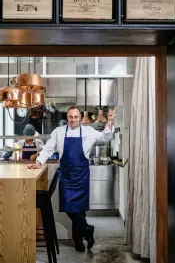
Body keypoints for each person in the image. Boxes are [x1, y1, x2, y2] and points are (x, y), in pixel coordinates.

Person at [28, 106, 116, 252]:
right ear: (67, 117)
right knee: (70, 208)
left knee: (79, 210)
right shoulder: (59, 132)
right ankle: (88, 229)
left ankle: (78, 241)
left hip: (81, 176)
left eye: (76, 117)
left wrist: (110, 122)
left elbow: (105, 138)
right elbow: (48, 149)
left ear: (80, 118)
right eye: (70, 117)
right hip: (66, 176)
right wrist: (38, 162)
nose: (73, 119)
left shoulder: (88, 131)